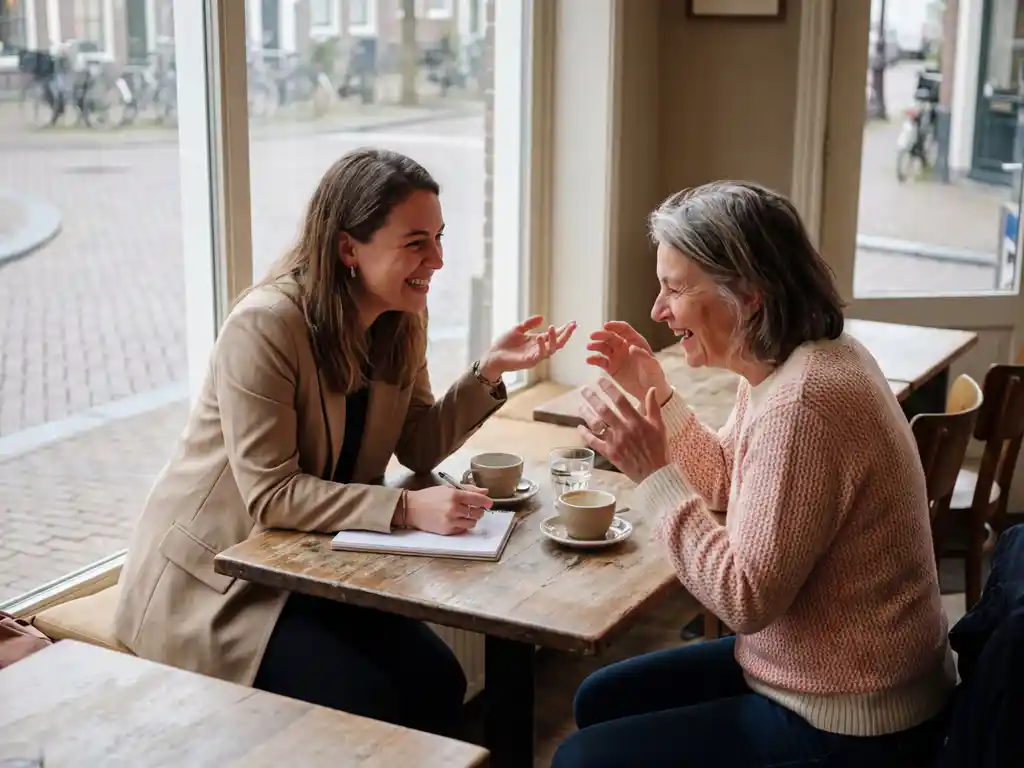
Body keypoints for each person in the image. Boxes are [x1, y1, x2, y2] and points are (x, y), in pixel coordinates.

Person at [113, 148, 575, 738]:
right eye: (416, 242)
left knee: (438, 681)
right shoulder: (265, 325)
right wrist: (406, 507)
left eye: (438, 237)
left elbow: (417, 446)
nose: (437, 259)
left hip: (309, 566)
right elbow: (272, 496)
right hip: (220, 585)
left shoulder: (400, 315)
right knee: (375, 698)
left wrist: (487, 372)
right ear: (347, 247)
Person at [553, 181, 954, 766]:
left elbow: (743, 599)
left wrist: (652, 473)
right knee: (601, 698)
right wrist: (656, 392)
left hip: (854, 717)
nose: (657, 311)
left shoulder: (806, 403)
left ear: (748, 295)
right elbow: (723, 479)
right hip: (805, 671)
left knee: (581, 758)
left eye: (674, 289)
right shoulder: (786, 363)